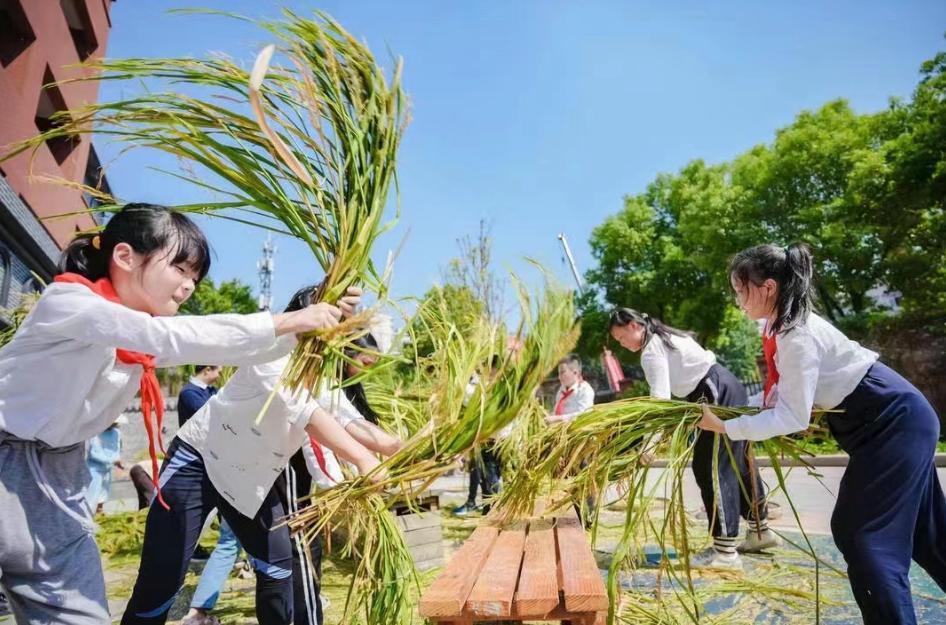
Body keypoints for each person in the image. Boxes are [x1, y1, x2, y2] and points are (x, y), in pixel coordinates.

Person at [0, 203, 349, 625]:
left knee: (80, 615)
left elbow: (229, 347)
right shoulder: (69, 303)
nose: (188, 286)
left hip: (59, 478)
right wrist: (288, 319)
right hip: (7, 457)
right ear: (125, 257)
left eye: (194, 277)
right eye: (179, 269)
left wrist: (307, 327)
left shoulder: (135, 337)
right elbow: (171, 337)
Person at [699, 243, 946, 625]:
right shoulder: (782, 327)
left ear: (767, 288)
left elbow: (792, 417)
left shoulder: (796, 335)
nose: (737, 301)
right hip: (884, 423)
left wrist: (726, 426)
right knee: (928, 535)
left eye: (739, 290)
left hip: (894, 421)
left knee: (863, 537)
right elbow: (792, 397)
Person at [120, 284, 377, 625]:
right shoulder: (272, 351)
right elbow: (306, 414)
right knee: (163, 578)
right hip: (200, 462)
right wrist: (362, 459)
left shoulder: (317, 374)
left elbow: (346, 416)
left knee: (277, 564)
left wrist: (399, 448)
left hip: (246, 480)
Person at [609, 308, 774, 570]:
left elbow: (660, 400)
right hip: (724, 386)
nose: (623, 345)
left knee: (712, 467)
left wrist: (649, 444)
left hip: (713, 392)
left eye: (620, 338)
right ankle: (759, 532)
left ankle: (725, 552)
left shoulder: (652, 349)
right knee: (738, 462)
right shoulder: (665, 336)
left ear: (632, 325)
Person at [291, 328, 404, 625]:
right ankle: (304, 606)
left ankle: (306, 602)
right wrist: (338, 487)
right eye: (367, 362)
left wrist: (396, 449)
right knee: (298, 548)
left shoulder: (339, 385)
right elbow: (314, 440)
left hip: (307, 476)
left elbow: (351, 424)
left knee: (303, 549)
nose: (370, 369)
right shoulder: (312, 379)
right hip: (287, 472)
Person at [86, 417, 127, 515]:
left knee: (103, 493)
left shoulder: (117, 433)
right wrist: (114, 460)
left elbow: (117, 448)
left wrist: (118, 460)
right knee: (92, 495)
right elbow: (93, 453)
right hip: (94, 469)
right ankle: (89, 518)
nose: (115, 425)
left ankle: (100, 514)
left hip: (107, 469)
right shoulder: (94, 434)